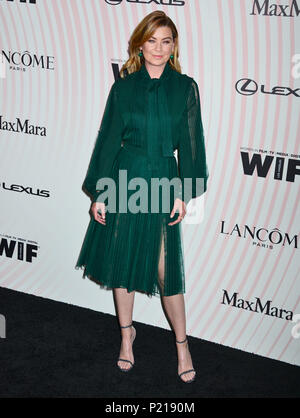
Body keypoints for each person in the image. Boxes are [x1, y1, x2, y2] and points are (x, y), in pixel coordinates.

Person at [75, 10, 209, 384]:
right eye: (152, 40)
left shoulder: (185, 88)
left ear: (174, 46)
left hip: (163, 180)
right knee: (122, 264)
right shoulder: (123, 87)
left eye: (166, 41)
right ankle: (126, 336)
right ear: (139, 43)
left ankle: (182, 344)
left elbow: (192, 145)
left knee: (168, 272)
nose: (159, 48)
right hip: (125, 176)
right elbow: (107, 138)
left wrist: (183, 191)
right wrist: (101, 191)